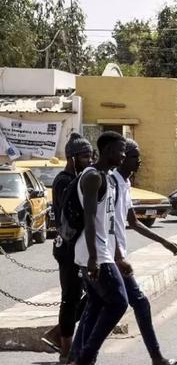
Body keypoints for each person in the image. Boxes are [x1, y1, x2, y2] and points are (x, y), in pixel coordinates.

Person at [108, 139, 177, 365]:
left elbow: (132, 221)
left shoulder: (124, 182)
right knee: (137, 303)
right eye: (134, 156)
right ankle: (157, 358)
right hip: (109, 255)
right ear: (122, 157)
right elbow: (105, 224)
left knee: (98, 304)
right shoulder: (111, 183)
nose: (139, 161)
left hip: (114, 254)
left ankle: (74, 353)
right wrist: (117, 256)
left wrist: (164, 241)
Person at [68, 131, 128, 365]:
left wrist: (118, 255)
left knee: (95, 304)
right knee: (118, 302)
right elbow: (90, 218)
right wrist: (94, 257)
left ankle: (78, 357)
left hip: (100, 251)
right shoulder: (93, 177)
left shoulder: (108, 177)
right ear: (108, 151)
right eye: (120, 150)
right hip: (94, 253)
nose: (123, 155)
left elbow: (109, 223)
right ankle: (85, 357)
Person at [41, 134, 94, 362]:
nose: (89, 160)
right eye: (85, 156)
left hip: (81, 247)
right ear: (72, 158)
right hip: (67, 248)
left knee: (95, 294)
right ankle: (65, 349)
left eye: (91, 155)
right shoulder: (64, 180)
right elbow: (71, 212)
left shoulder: (81, 178)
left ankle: (58, 333)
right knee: (70, 298)